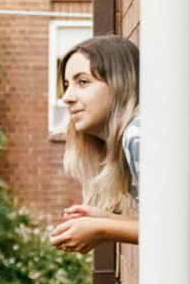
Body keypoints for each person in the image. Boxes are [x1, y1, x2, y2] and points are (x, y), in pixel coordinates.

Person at [51, 35, 140, 254]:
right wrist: (107, 219)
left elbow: (174, 230)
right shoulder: (127, 141)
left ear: (120, 84)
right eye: (66, 85)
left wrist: (102, 229)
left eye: (83, 82)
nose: (67, 97)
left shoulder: (136, 136)